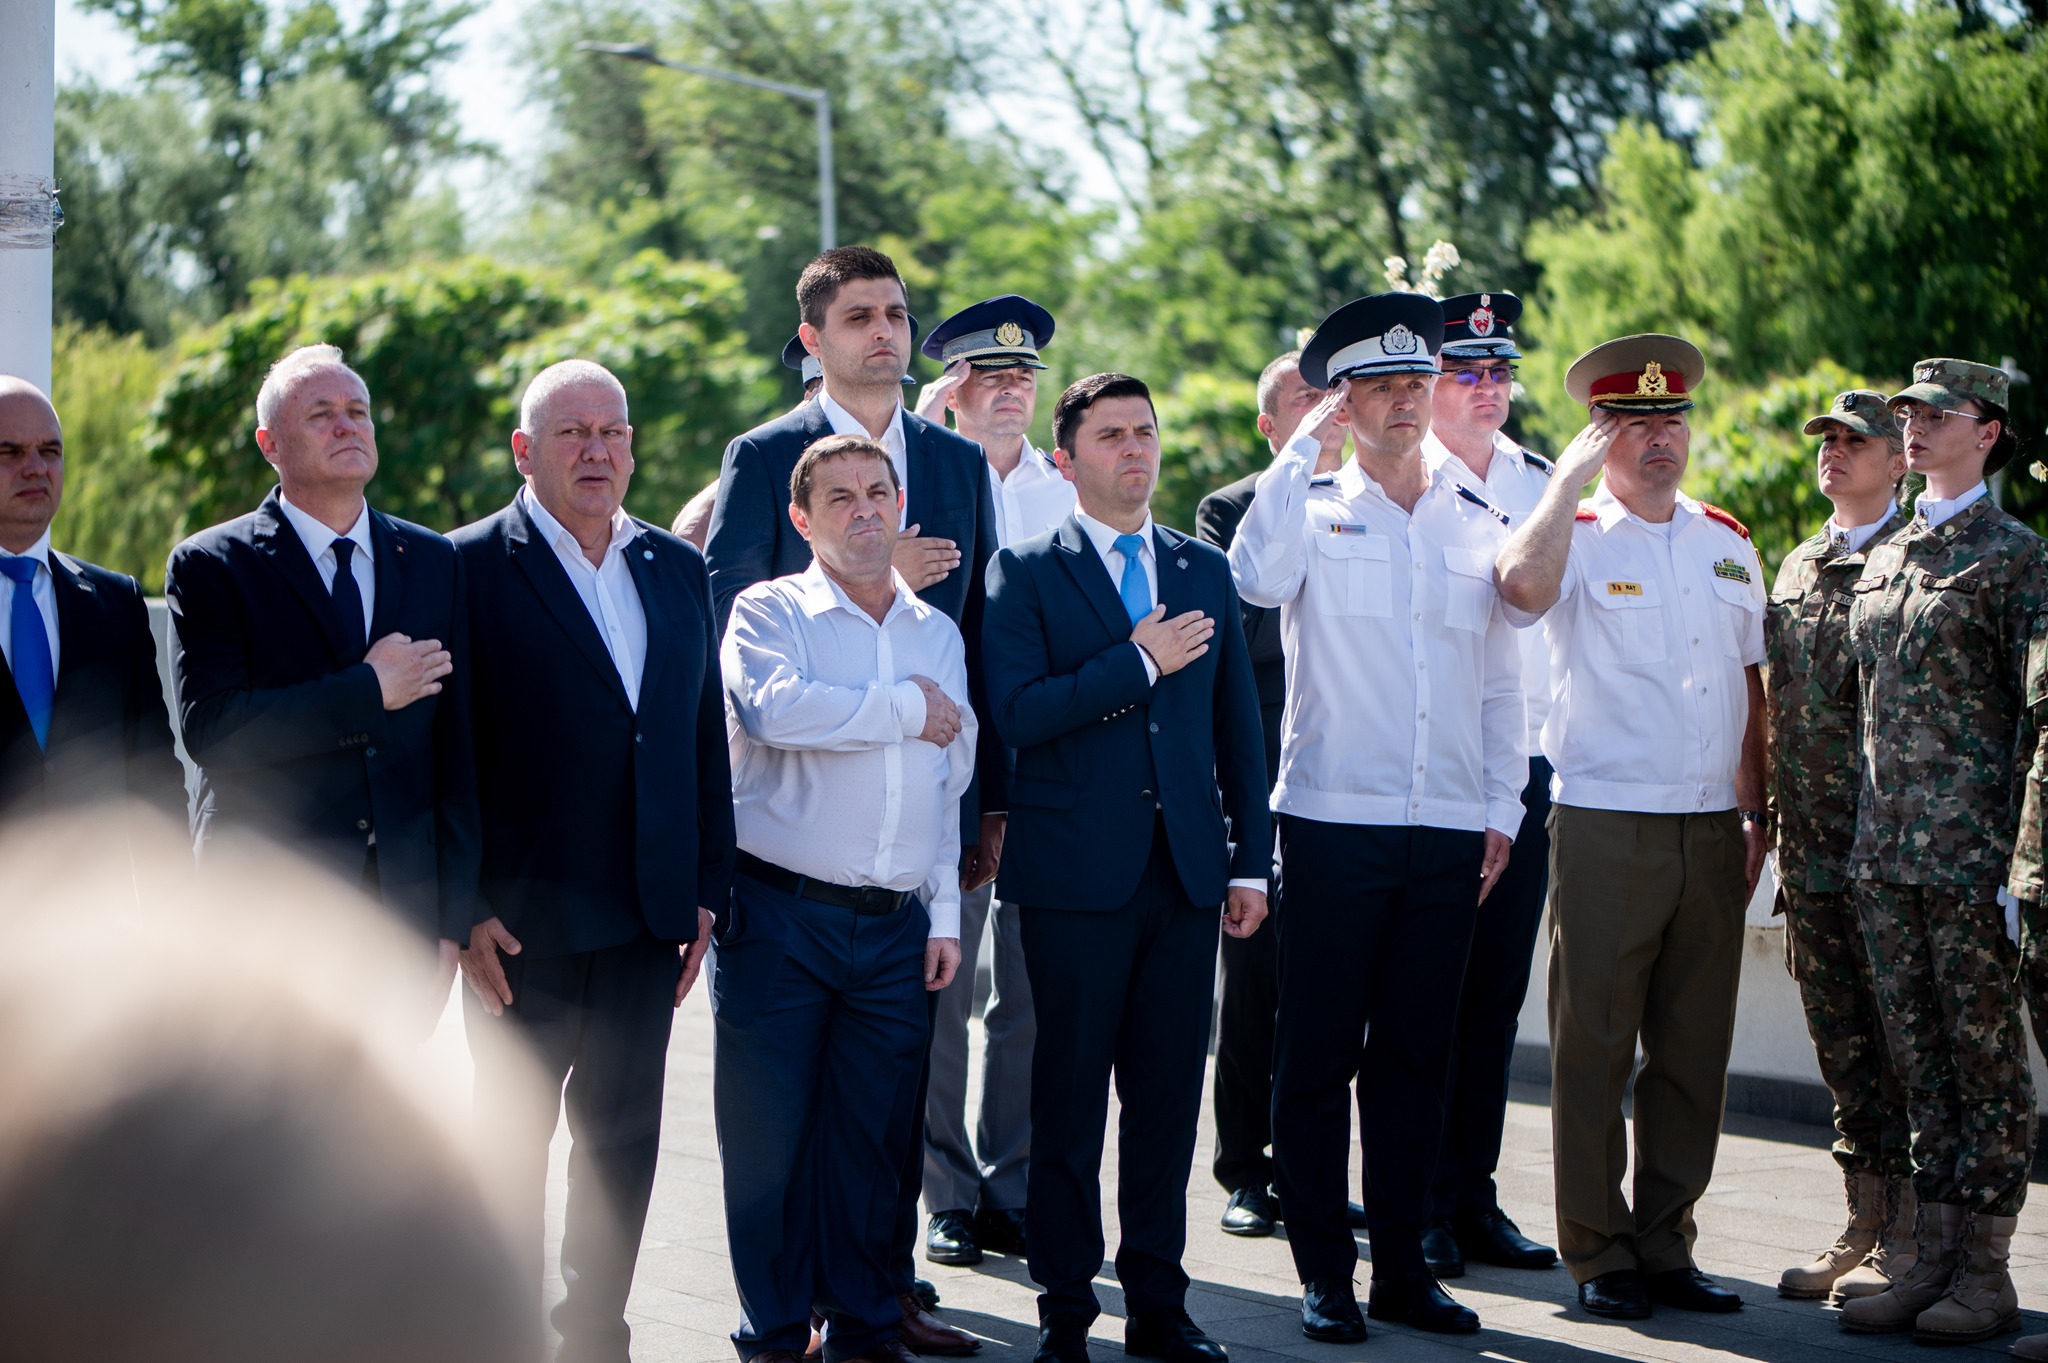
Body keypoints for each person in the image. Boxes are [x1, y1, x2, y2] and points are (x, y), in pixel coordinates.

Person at [705, 245, 1001, 1335]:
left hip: (913, 838)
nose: (884, 332)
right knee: (781, 1124)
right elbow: (734, 633)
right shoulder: (762, 457)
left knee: (884, 1111)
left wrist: (983, 806)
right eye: (860, 316)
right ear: (814, 338)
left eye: (896, 314)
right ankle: (785, 1323)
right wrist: (866, 581)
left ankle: (881, 1299)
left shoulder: (955, 461)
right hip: (786, 854)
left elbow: (976, 641)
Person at [1229, 294, 1525, 1342]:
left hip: (1445, 825)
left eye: (1416, 383)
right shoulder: (1307, 505)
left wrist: (1500, 804)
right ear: (1342, 402)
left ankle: (1402, 1268)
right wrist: (1297, 454)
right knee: (1314, 1059)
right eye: (1381, 386)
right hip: (1330, 821)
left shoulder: (1476, 513)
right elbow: (1252, 578)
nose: (1404, 401)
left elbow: (1500, 679)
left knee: (1413, 1059)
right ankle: (1324, 1273)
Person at [451, 359, 737, 1363]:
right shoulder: (466, 567)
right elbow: (445, 750)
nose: (596, 451)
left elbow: (698, 737)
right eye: (572, 433)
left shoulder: (675, 567)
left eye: (612, 432)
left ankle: (594, 1339)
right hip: (517, 927)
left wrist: (706, 888)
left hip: (645, 918)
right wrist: (460, 902)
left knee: (620, 1149)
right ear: (524, 451)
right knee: (507, 1147)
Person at [984, 372, 1270, 1363]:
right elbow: (1017, 714)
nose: (1134, 448)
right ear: (1066, 461)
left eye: (1144, 431)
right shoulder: (1023, 571)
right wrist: (1137, 662)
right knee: (1065, 1109)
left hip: (1184, 878)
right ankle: (1065, 1310)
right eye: (1110, 435)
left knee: (1164, 1108)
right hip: (1071, 882)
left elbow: (1239, 732)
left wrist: (1250, 863)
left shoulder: (1202, 568)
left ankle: (1158, 1305)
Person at [1493, 334, 1767, 1322]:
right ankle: (1597, 1249)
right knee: (1594, 1048)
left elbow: (1751, 686)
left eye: (1670, 419)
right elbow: (1519, 590)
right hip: (1608, 820)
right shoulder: (1573, 533)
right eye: (1633, 422)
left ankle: (1665, 1242)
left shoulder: (1725, 541)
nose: (1659, 438)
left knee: (1692, 1052)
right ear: (1599, 434)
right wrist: (1565, 480)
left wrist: (1757, 809)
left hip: (1710, 826)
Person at [1834, 359, 2043, 1344]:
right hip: (1885, 854)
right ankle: (1930, 1260)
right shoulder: (1887, 551)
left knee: (1983, 1066)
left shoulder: (2016, 557)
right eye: (1906, 413)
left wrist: (2018, 863)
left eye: (1934, 414)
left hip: (1969, 860)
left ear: (1986, 432)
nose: (1911, 427)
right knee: (1919, 1065)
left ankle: (1985, 1275)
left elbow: (2037, 719)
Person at [165, 345, 479, 973]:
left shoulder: (434, 559)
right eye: (321, 414)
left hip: (401, 915)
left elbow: (456, 749)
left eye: (358, 411)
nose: (346, 425)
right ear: (270, 444)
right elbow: (214, 731)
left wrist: (451, 919)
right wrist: (369, 689)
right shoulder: (212, 565)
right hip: (265, 911)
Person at [910, 294, 1074, 1268]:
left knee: (1028, 993)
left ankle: (1010, 1181)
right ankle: (947, 1191)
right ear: (954, 388)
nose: (1011, 390)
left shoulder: (1064, 490)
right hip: (954, 771)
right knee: (942, 987)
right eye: (991, 376)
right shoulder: (919, 481)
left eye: (1023, 376)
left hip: (1049, 772)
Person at [1413, 292, 1559, 1278]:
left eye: (1499, 372)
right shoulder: (1399, 480)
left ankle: (1472, 1194)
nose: (1488, 389)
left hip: (1525, 771)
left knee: (1495, 999)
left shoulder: (1540, 481)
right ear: (1428, 385)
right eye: (1466, 372)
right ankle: (1416, 1200)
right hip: (1430, 773)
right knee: (1423, 997)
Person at [1196, 347, 1355, 1240]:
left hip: (1348, 773)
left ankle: (1310, 1168)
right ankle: (1244, 1168)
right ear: (1270, 425)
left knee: (1333, 992)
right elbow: (1246, 626)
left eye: (1334, 394)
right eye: (1304, 399)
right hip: (1260, 774)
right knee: (1255, 982)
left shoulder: (1376, 500)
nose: (1327, 410)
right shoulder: (1232, 510)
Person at [1764, 391, 1915, 1304]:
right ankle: (1863, 1222)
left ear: (1899, 460)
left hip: (1891, 852)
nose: (1835, 451)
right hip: (1811, 853)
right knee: (1844, 1051)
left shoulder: (1914, 561)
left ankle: (1914, 1240)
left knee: (1908, 1050)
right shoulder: (1796, 563)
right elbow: (1776, 705)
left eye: (1857, 440)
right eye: (1827, 438)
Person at [0, 376, 185, 826]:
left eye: (50, 451)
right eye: (9, 452)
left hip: (92, 873)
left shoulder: (115, 603)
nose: (35, 468)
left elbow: (154, 779)